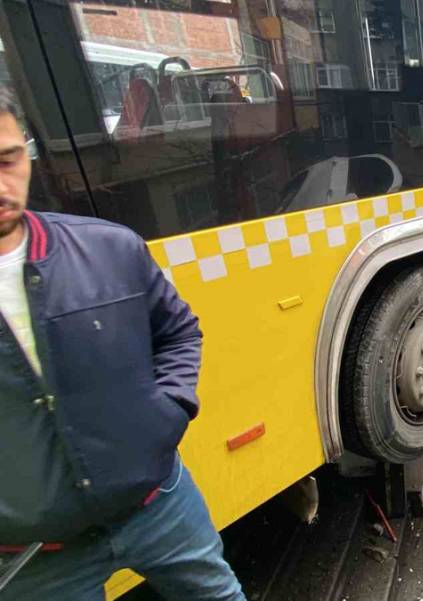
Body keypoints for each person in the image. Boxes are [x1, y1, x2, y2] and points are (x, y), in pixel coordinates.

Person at [0, 87, 245, 600]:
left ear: (27, 151)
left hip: (159, 504)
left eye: (6, 159)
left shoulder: (108, 248)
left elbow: (178, 331)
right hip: (33, 557)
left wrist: (168, 414)